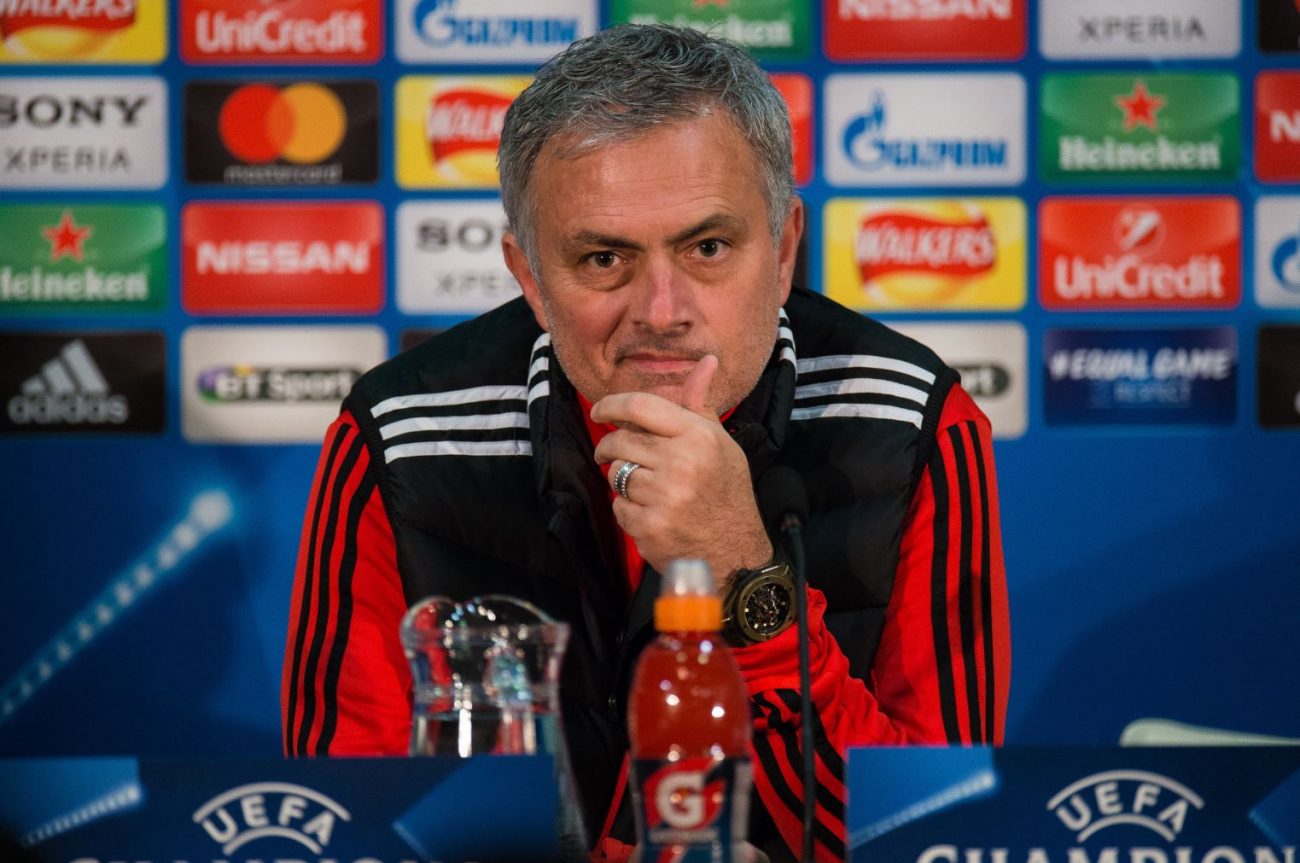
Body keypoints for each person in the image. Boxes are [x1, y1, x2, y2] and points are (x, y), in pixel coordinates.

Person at [282, 24, 1010, 863]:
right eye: (603, 259)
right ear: (530, 278)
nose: (662, 311)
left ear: (782, 252)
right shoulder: (401, 437)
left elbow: (937, 836)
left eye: (708, 248)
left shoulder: (915, 423)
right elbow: (347, 832)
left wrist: (743, 573)